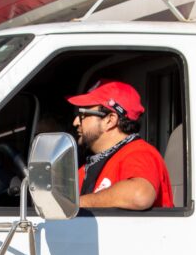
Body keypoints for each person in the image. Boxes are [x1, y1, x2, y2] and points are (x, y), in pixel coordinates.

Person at [68, 80, 174, 210]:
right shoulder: (90, 166)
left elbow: (140, 195)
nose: (76, 122)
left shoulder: (140, 153)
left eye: (83, 115)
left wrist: (78, 203)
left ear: (110, 120)